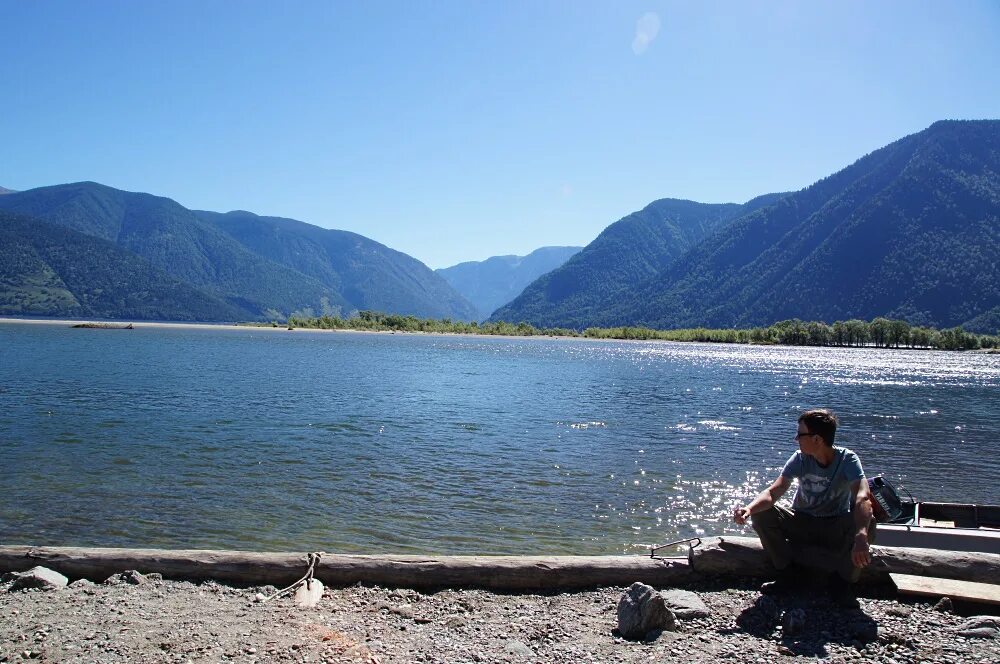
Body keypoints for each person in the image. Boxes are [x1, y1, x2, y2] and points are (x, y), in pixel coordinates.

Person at [732, 409, 873, 607]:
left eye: (800, 434)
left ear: (817, 439)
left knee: (869, 523)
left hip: (833, 525)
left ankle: (843, 584)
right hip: (802, 521)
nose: (796, 438)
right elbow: (774, 491)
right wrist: (749, 509)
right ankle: (787, 575)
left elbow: (862, 496)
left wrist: (861, 534)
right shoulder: (799, 458)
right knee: (762, 514)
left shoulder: (847, 459)